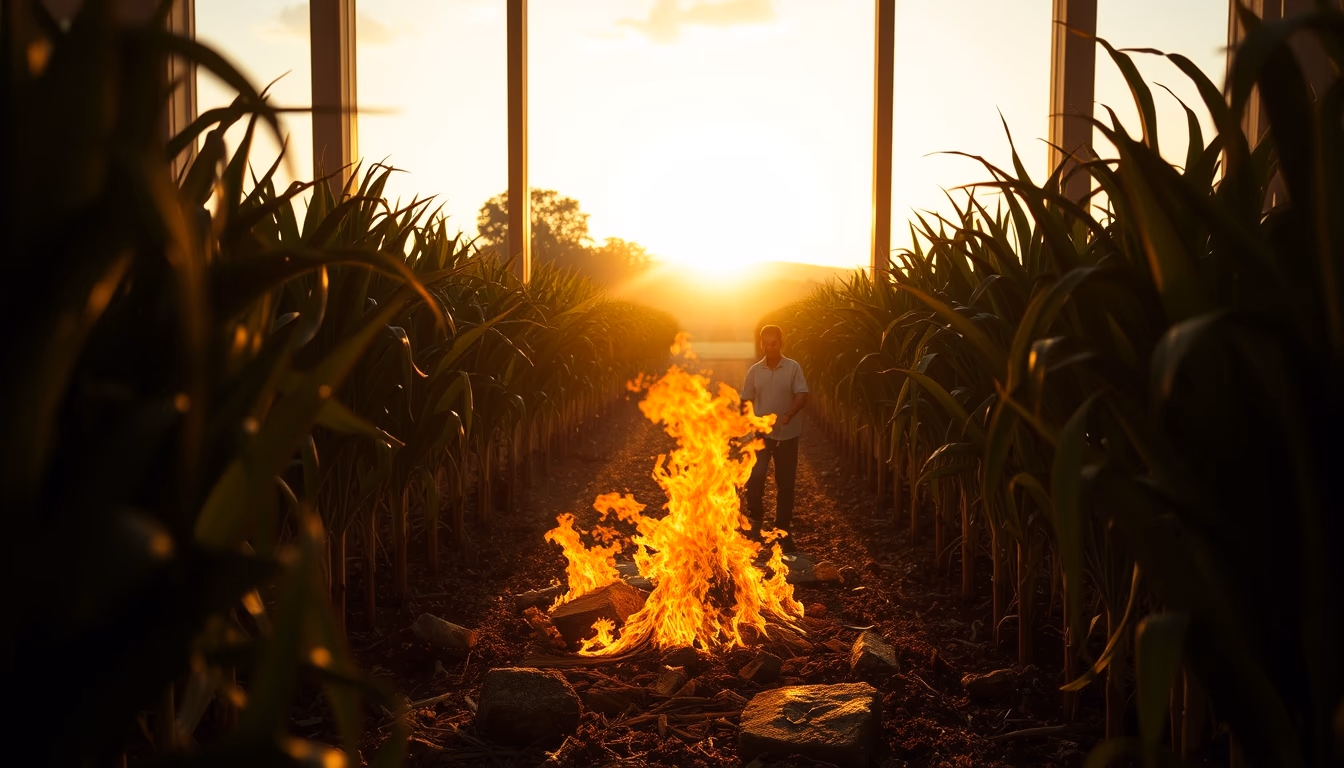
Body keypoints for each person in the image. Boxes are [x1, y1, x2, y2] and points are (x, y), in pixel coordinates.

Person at [740, 324, 809, 552]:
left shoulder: (792, 368)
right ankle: (756, 518)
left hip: (787, 435)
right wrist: (747, 418)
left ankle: (782, 530)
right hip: (761, 434)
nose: (770, 347)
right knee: (756, 476)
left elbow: (802, 393)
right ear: (761, 344)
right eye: (766, 343)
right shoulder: (754, 371)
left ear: (781, 343)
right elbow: (746, 398)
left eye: (774, 343)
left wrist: (789, 413)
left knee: (785, 483)